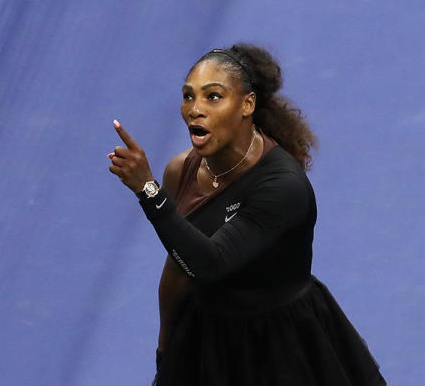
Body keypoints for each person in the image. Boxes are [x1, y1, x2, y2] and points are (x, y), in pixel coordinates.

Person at [107, 44, 385, 385]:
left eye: (212, 97)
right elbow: (179, 267)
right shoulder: (181, 171)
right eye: (188, 96)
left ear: (246, 104)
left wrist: (148, 191)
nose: (195, 110)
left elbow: (210, 265)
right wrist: (166, 349)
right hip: (208, 341)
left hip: (285, 347)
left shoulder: (283, 187)